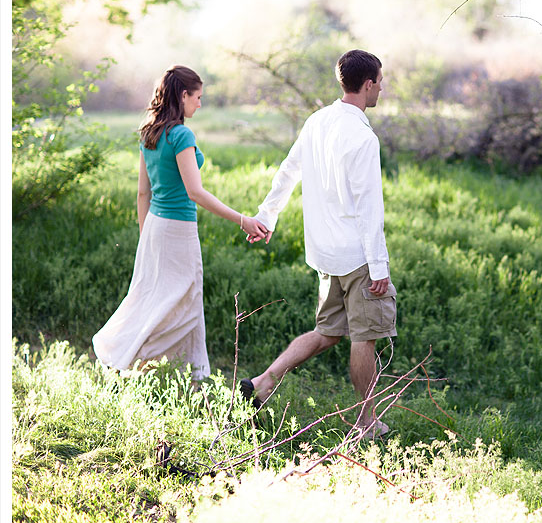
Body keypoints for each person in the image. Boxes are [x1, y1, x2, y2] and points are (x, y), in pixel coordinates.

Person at [241, 49, 396, 439]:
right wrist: (379, 269)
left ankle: (263, 382)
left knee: (327, 333)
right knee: (364, 338)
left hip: (326, 254)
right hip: (357, 257)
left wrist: (267, 216)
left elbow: (288, 171)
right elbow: (368, 208)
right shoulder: (362, 136)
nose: (381, 87)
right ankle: (366, 423)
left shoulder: (317, 121)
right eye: (380, 81)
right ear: (367, 84)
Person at [93, 65, 268, 382]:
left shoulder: (150, 131)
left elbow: (142, 193)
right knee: (182, 304)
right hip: (177, 230)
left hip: (156, 228)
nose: (200, 104)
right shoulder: (181, 134)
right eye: (197, 97)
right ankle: (130, 361)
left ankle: (189, 377)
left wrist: (148, 236)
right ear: (183, 95)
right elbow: (195, 192)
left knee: (157, 297)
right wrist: (243, 219)